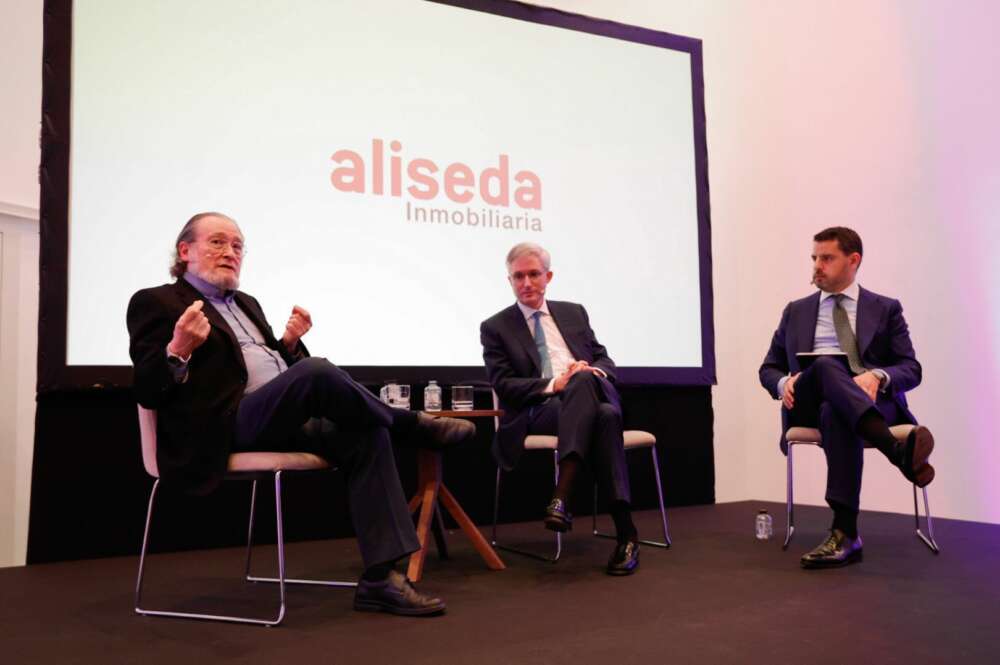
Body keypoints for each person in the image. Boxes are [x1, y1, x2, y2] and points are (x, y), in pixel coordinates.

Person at [127, 211, 476, 615]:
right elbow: (147, 389)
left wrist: (288, 346)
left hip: (273, 419)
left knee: (365, 432)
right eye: (218, 242)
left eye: (238, 246)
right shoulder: (156, 302)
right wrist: (178, 350)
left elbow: (268, 369)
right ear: (185, 251)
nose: (230, 252)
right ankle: (410, 424)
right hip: (219, 427)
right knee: (317, 372)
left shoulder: (247, 303)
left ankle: (382, 579)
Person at [759, 226, 935, 569]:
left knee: (836, 411)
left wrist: (878, 375)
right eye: (814, 258)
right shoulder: (796, 311)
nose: (817, 266)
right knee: (825, 366)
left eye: (827, 258)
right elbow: (768, 369)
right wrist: (785, 384)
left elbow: (911, 368)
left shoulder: (886, 309)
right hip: (806, 401)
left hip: (865, 403)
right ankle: (897, 452)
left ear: (853, 261)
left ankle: (845, 533)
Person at [480, 242, 639, 575]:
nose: (526, 283)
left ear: (548, 276)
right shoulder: (496, 327)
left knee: (597, 401)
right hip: (539, 410)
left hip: (586, 399)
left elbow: (604, 359)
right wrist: (556, 385)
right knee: (601, 411)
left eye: (534, 274)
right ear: (509, 281)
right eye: (518, 276)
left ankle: (562, 497)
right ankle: (626, 535)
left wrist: (590, 372)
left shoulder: (573, 312)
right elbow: (504, 385)